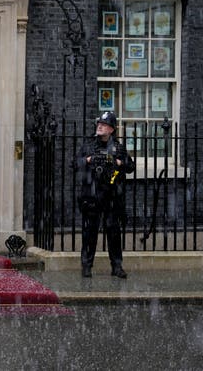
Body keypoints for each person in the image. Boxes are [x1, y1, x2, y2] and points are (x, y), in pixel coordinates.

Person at [76, 111, 134, 278]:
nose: (100, 126)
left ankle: (117, 266)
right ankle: (86, 266)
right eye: (99, 124)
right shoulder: (88, 145)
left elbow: (130, 167)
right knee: (90, 233)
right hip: (92, 195)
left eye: (104, 124)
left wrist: (117, 162)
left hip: (112, 196)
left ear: (111, 129)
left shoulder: (118, 147)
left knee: (113, 232)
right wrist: (88, 160)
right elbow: (74, 163)